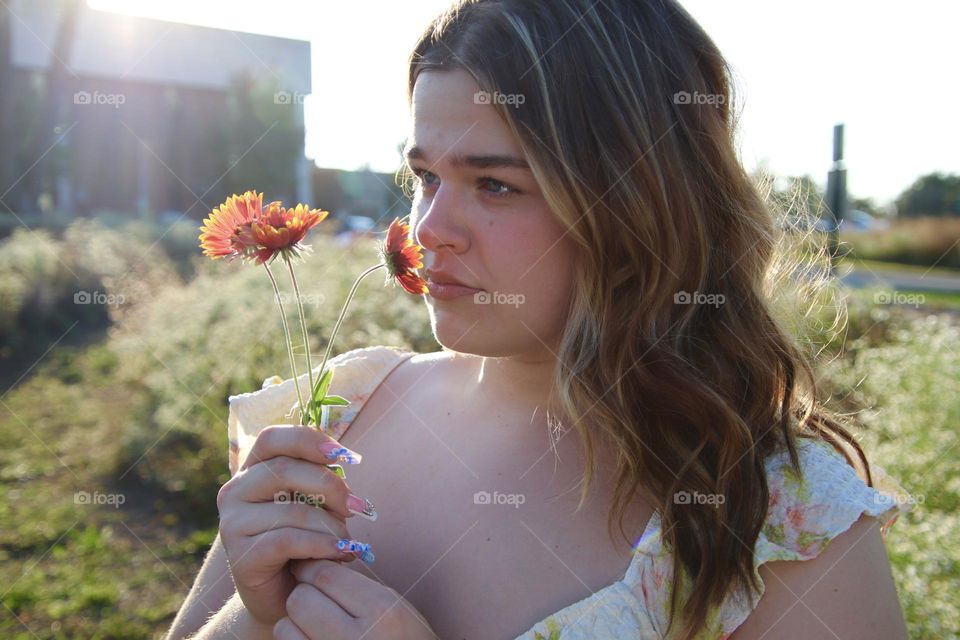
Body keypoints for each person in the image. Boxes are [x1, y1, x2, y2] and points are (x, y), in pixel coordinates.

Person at [166, 1, 911, 638]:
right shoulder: (339, 414)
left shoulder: (778, 518)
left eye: (494, 184)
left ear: (636, 203)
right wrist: (254, 613)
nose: (427, 230)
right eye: (426, 176)